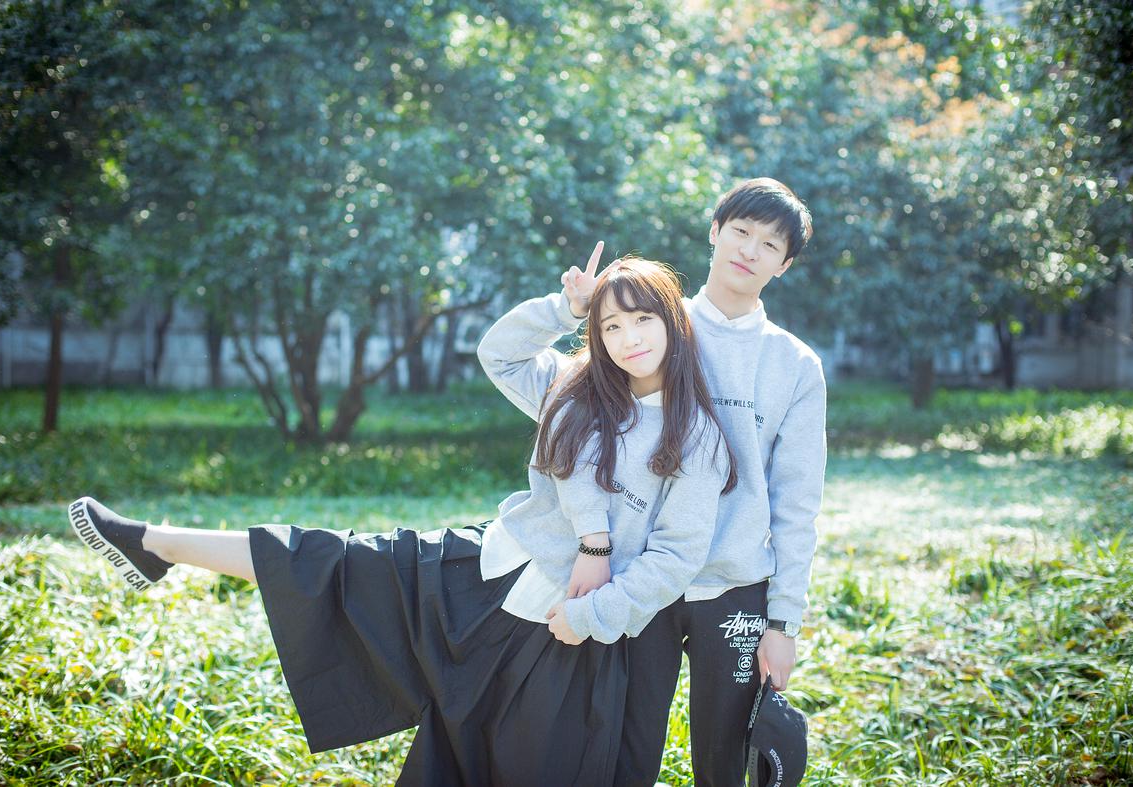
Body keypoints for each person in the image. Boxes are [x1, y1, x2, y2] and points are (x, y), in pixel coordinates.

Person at [68, 250, 736, 786]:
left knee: (499, 763)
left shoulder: (695, 436)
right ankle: (154, 543)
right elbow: (499, 353)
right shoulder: (575, 388)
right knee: (329, 562)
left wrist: (594, 614)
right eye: (611, 326)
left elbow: (676, 557)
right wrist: (566, 307)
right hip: (476, 575)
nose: (627, 338)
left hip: (560, 631)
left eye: (641, 320)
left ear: (671, 321)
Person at [615, 177, 827, 786]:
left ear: (784, 265)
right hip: (641, 575)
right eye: (741, 231)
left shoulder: (795, 365)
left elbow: (797, 503)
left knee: (724, 764)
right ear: (714, 232)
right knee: (624, 752)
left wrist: (783, 624)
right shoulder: (652, 329)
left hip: (736, 586)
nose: (749, 250)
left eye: (770, 244)